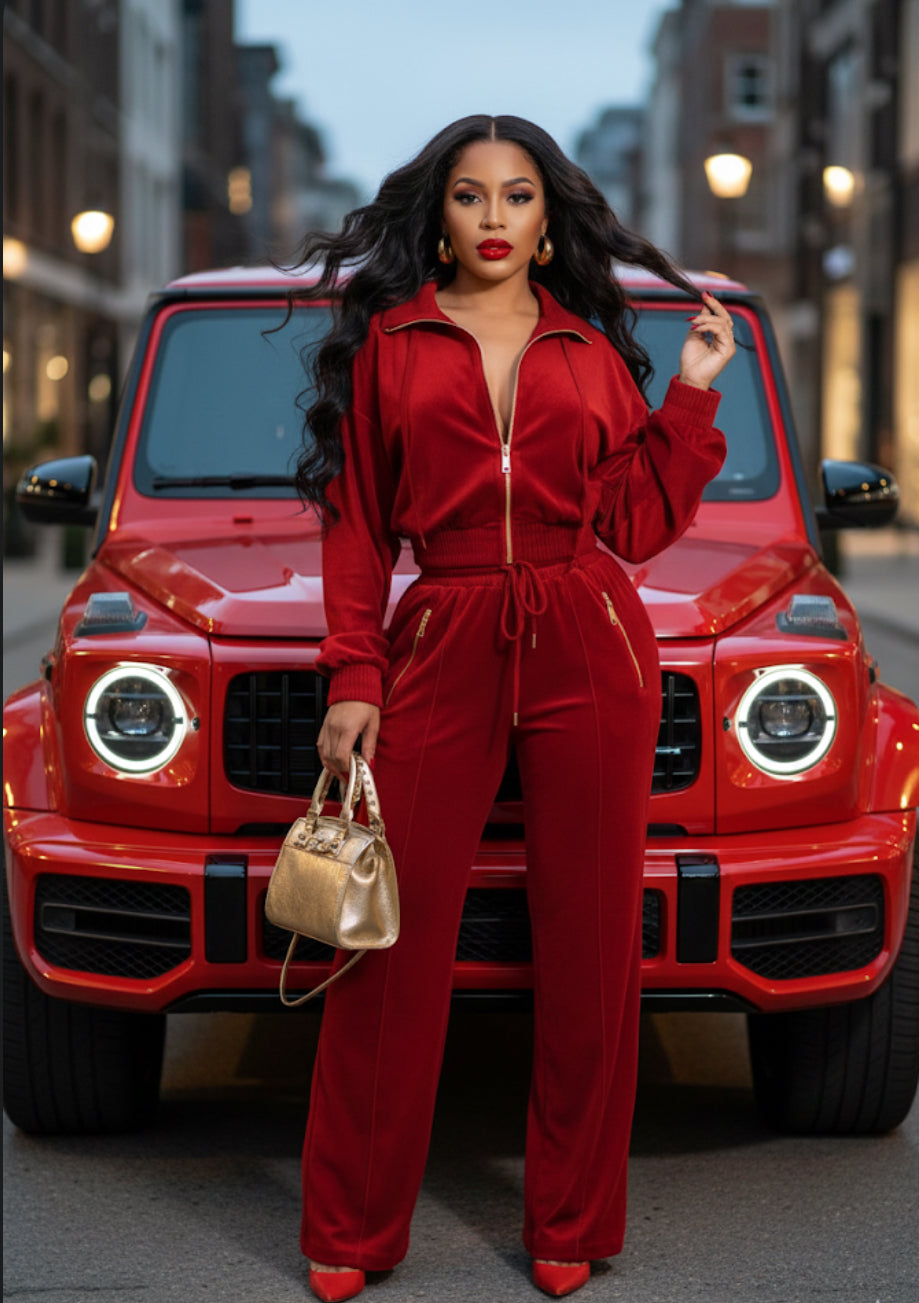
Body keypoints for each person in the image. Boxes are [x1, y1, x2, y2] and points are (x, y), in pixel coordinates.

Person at [284, 115, 734, 1301]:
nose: (494, 217)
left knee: (588, 946)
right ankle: (351, 1223)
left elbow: (633, 527)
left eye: (518, 197)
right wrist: (353, 674)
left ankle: (571, 1216)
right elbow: (357, 527)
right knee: (385, 940)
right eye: (472, 195)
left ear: (547, 223)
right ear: (438, 214)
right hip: (444, 630)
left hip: (589, 635)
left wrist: (687, 400)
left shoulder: (591, 350)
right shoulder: (389, 343)